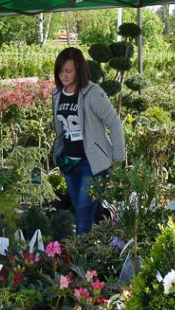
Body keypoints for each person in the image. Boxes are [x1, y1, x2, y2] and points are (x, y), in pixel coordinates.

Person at [52, 47, 125, 234]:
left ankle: (80, 262)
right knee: (83, 211)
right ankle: (105, 244)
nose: (64, 75)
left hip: (92, 165)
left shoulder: (93, 92)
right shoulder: (57, 94)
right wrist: (57, 156)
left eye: (68, 71)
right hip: (69, 163)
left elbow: (114, 123)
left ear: (79, 69)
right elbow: (60, 131)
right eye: (61, 71)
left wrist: (118, 159)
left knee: (83, 218)